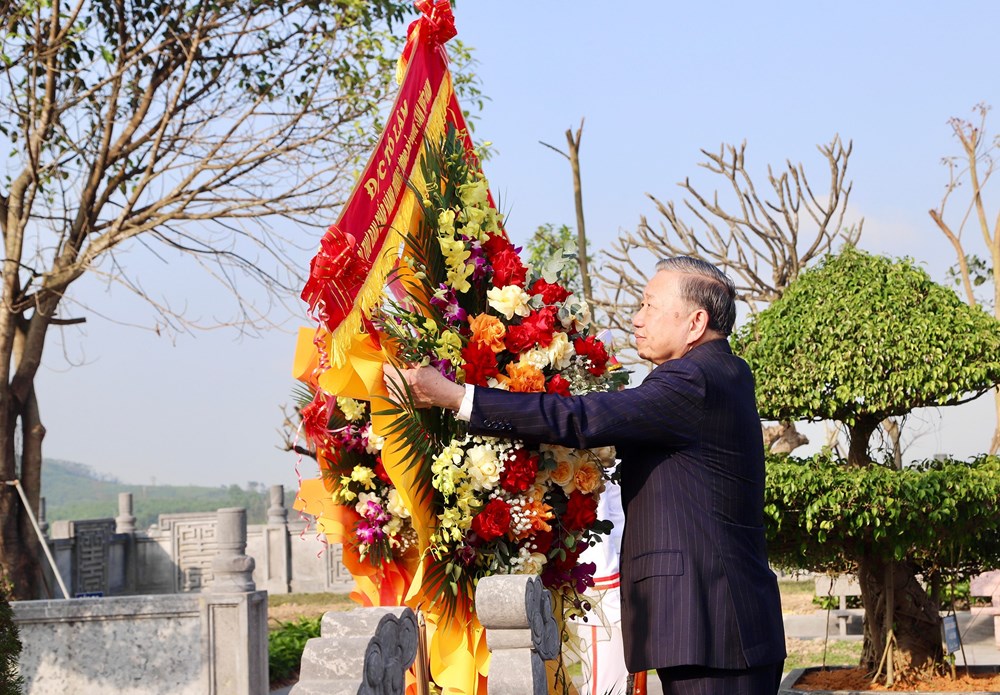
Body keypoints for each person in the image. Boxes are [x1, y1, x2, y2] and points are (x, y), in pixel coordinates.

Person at [385, 257, 786, 694]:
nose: (637, 319)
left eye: (651, 306)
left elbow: (581, 418)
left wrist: (458, 397)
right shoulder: (717, 373)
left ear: (695, 322)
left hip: (713, 629)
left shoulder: (694, 379)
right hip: (717, 626)